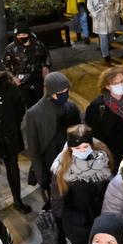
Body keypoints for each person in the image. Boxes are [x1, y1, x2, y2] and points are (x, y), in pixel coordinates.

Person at [50, 125, 115, 244]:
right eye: (77, 148)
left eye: (85, 147)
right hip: (80, 229)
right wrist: (82, 218)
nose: (82, 151)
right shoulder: (62, 170)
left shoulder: (102, 158)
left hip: (103, 220)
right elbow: (58, 207)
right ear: (70, 148)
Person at [26, 72, 81, 208]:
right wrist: (42, 178)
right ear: (50, 92)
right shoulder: (34, 114)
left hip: (72, 161)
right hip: (51, 165)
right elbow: (34, 150)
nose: (65, 94)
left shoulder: (72, 108)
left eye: (66, 90)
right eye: (60, 92)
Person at [0, 58, 30, 213]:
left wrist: (11, 125)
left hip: (9, 136)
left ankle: (17, 200)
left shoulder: (11, 88)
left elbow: (20, 109)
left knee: (13, 169)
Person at [2, 20, 51, 108]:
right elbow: (5, 66)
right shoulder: (10, 49)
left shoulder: (38, 45)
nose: (21, 37)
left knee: (40, 104)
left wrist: (46, 68)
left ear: (28, 34)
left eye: (24, 35)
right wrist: (13, 78)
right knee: (30, 106)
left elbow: (46, 57)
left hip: (37, 80)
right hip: (22, 83)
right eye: (19, 35)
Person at [86, 0, 121, 66]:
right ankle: (106, 57)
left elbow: (117, 1)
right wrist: (94, 13)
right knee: (103, 38)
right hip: (99, 18)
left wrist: (115, 11)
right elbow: (89, 3)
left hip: (110, 17)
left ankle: (105, 48)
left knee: (110, 36)